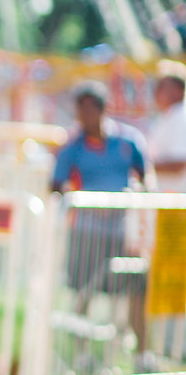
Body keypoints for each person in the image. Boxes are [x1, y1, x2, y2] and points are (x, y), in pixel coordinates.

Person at [51, 80, 149, 335]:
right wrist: (82, 201)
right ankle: (80, 354)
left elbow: (146, 177)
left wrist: (136, 198)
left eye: (89, 109)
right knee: (84, 291)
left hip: (122, 231)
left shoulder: (129, 141)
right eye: (80, 110)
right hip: (87, 230)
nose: (84, 116)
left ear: (103, 108)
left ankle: (140, 353)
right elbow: (55, 184)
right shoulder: (73, 147)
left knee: (135, 288)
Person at [147, 61, 186, 190]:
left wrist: (144, 165)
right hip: (169, 199)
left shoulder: (180, 117)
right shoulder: (168, 116)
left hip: (178, 201)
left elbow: (180, 162)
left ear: (178, 90)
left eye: (162, 86)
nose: (156, 91)